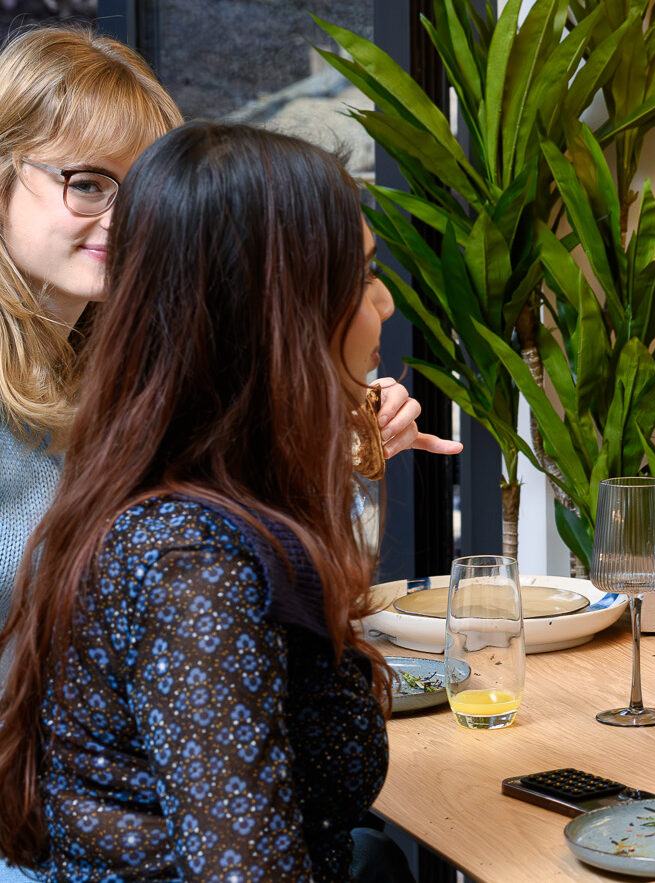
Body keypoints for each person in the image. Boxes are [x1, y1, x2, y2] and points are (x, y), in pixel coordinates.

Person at [0, 123, 402, 880]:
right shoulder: (191, 564)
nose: (381, 300)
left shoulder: (209, 511)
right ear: (282, 313)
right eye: (362, 275)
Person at [0, 25, 458, 627]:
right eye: (87, 184)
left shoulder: (131, 367)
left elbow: (252, 575)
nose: (121, 219)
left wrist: (329, 442)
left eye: (140, 191)